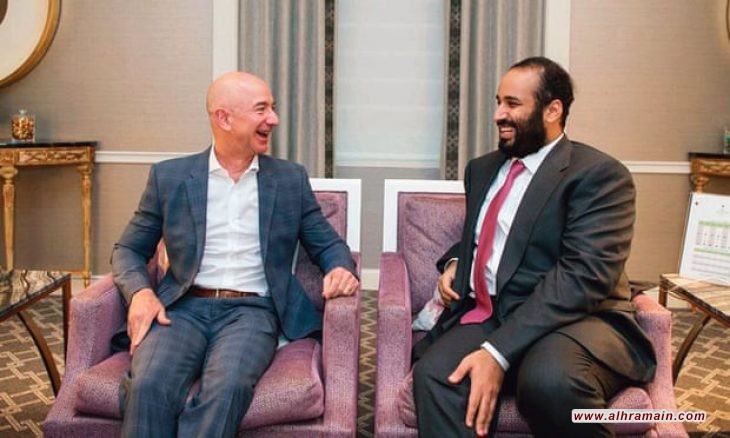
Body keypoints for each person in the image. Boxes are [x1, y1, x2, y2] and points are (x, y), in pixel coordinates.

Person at [411, 57, 656, 437]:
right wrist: (457, 261)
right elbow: (486, 236)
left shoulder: (598, 175)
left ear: (552, 110)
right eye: (498, 102)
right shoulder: (482, 169)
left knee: (548, 382)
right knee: (436, 375)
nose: (498, 114)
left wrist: (496, 353)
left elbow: (583, 277)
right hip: (493, 313)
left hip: (576, 320)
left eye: (512, 103)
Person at [110, 71, 359, 438]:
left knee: (227, 390)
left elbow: (328, 244)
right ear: (223, 118)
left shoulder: (289, 179)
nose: (273, 119)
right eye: (262, 109)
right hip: (181, 309)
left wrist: (339, 267)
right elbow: (129, 249)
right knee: (147, 387)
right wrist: (141, 293)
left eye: (272, 108)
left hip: (252, 311)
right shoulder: (170, 177)